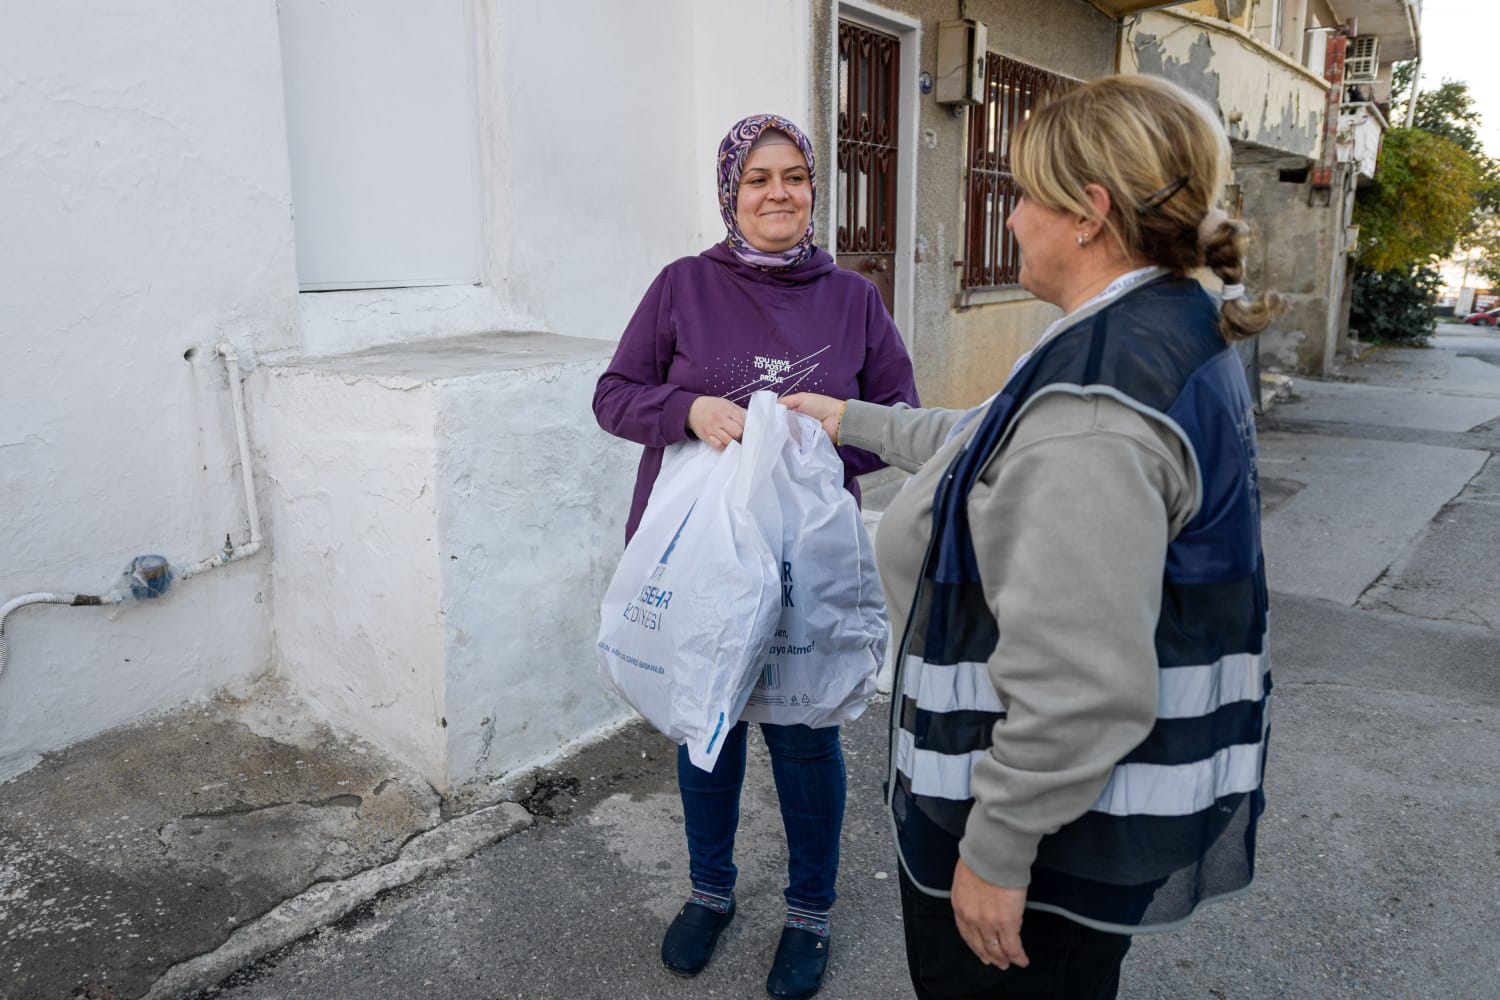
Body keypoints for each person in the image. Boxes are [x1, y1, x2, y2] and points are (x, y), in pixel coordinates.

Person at [783, 74, 1279, 999]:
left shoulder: (1097, 405)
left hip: (1048, 846)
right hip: (1097, 822)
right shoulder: (1158, 330)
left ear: (1088, 213)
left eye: (1020, 195)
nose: (1008, 220)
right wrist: (853, 419)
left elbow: (1080, 685)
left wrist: (998, 852)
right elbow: (997, 438)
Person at [592, 112, 918, 999]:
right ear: (731, 194)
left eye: (794, 177)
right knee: (711, 726)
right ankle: (710, 893)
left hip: (804, 561)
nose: (777, 194)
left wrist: (810, 453)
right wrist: (690, 413)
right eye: (756, 180)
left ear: (816, 189)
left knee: (805, 733)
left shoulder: (852, 300)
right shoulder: (683, 286)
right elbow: (614, 396)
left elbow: (895, 414)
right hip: (699, 553)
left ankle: (809, 912)